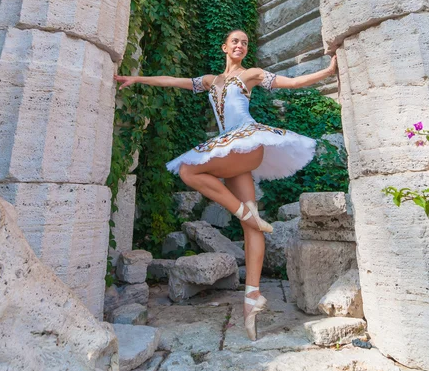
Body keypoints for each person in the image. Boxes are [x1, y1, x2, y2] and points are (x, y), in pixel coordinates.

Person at [114, 29, 337, 340]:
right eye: (235, 41)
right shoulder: (210, 81)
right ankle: (251, 301)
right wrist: (137, 80)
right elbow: (173, 81)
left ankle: (244, 213)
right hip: (229, 148)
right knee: (253, 228)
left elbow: (294, 82)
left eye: (245, 42)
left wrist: (327, 71)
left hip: (247, 142)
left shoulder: (251, 75)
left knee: (190, 172)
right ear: (224, 47)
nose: (240, 45)